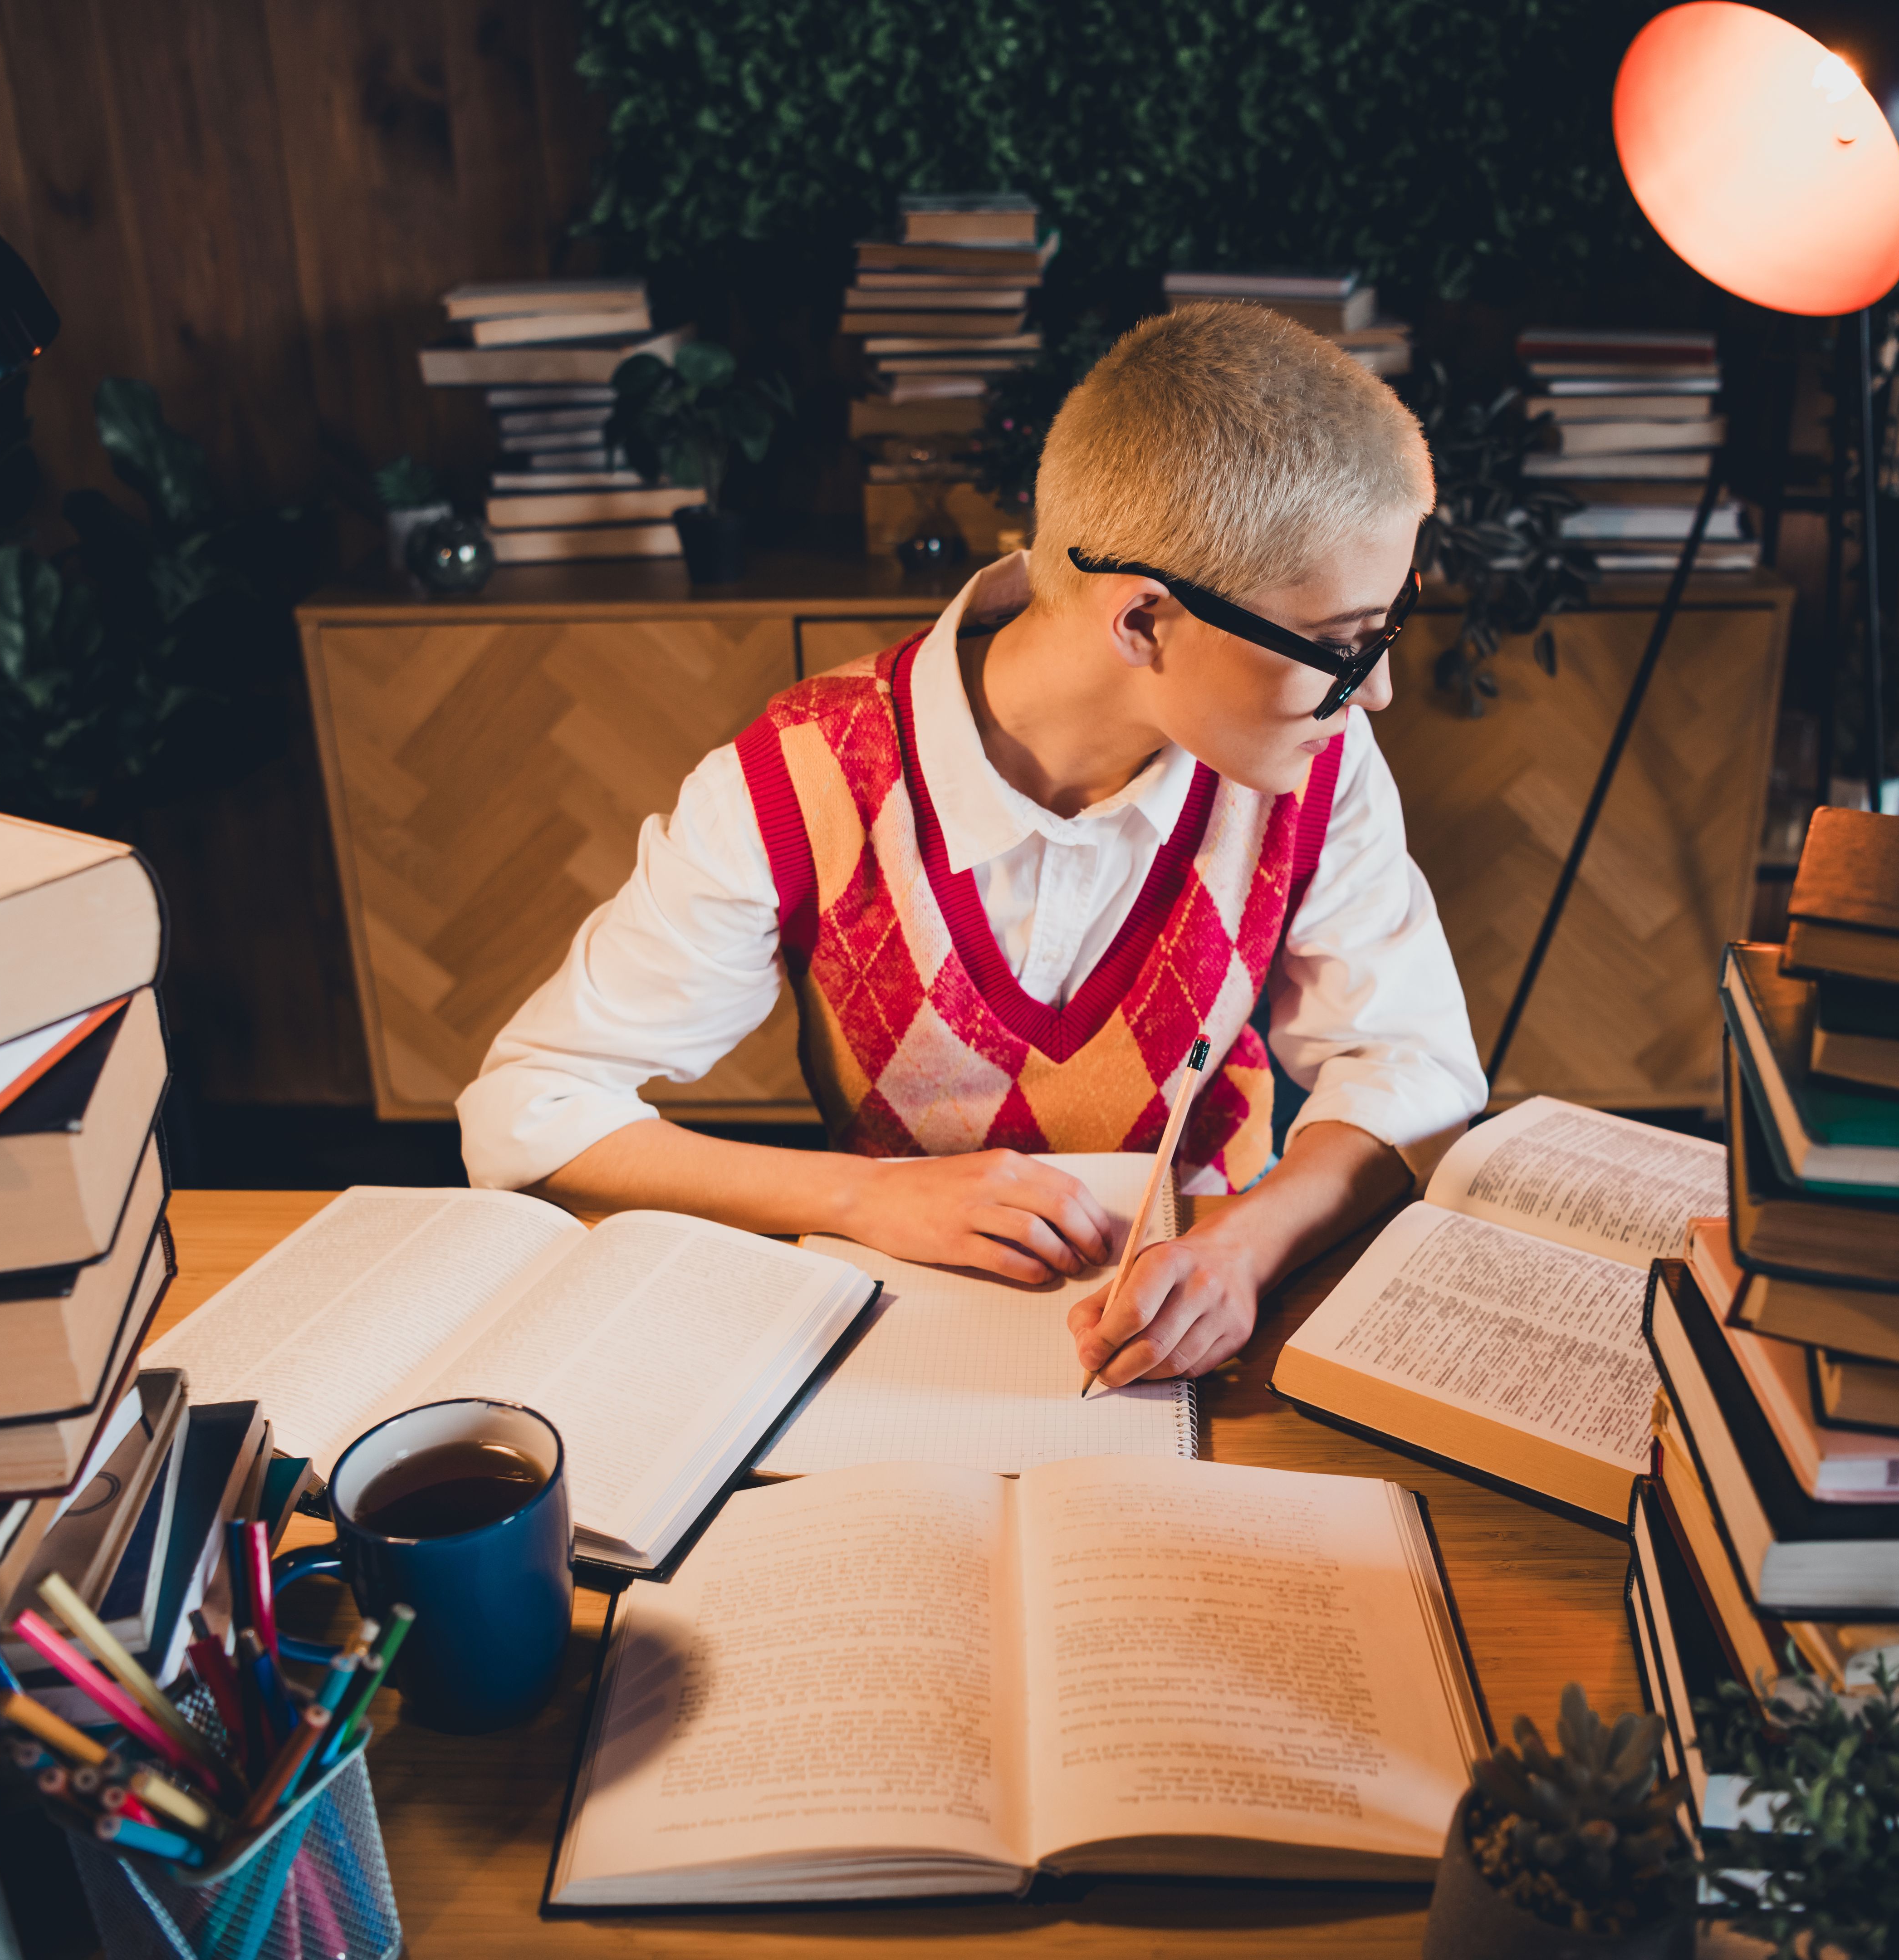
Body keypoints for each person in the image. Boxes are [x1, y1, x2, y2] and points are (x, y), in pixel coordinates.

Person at [459, 303, 1485, 1387]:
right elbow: (529, 1115)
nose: (1373, 690)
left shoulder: (1315, 762)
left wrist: (1246, 1245)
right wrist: (862, 1196)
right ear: (1142, 623)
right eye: (1337, 645)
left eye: (1390, 623)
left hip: (1215, 1334)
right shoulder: (800, 779)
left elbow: (1410, 1067)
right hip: (899, 1350)